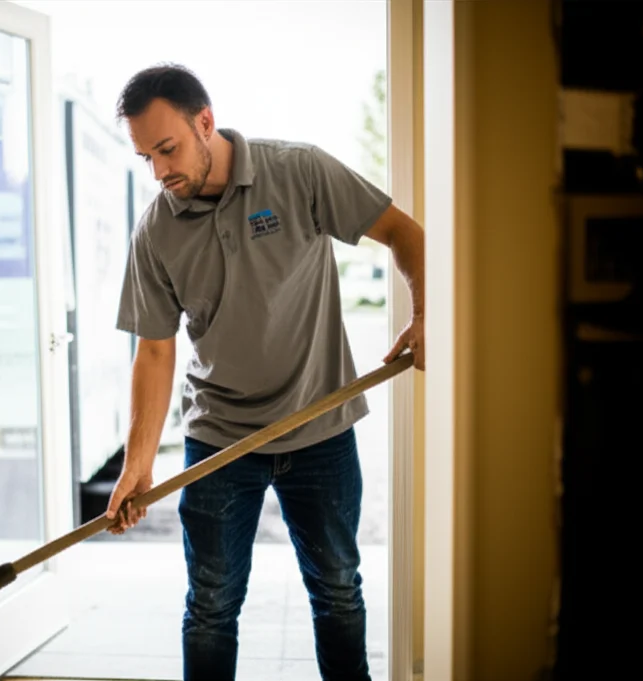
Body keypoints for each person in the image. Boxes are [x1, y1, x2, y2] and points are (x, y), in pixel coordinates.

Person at [105, 63, 425, 681]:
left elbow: (403, 233)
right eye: (145, 157)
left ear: (206, 122)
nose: (160, 171)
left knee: (337, 591)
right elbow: (155, 351)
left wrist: (428, 312)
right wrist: (137, 465)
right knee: (211, 606)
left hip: (320, 429)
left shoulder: (299, 170)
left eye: (167, 149)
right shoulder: (156, 230)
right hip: (219, 440)